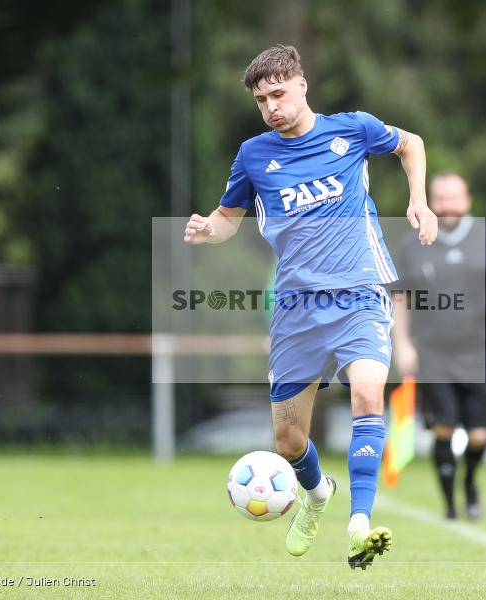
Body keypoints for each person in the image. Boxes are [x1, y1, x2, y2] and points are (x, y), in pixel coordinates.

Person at [183, 45, 437, 568]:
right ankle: (318, 493)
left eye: (277, 94)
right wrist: (210, 230)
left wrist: (418, 197)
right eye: (261, 100)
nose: (271, 107)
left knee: (369, 392)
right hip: (296, 306)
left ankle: (360, 524)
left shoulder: (354, 129)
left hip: (361, 291)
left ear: (301, 85)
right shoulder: (254, 154)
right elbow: (229, 216)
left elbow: (411, 144)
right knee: (287, 439)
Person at [392, 171, 486, 520]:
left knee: (478, 435)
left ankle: (470, 481)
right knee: (443, 429)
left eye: (453, 198)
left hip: (481, 351)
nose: (446, 207)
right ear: (430, 200)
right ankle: (449, 506)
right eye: (439, 199)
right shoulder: (413, 245)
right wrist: (402, 344)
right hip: (433, 351)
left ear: (467, 200)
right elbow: (399, 298)